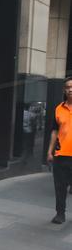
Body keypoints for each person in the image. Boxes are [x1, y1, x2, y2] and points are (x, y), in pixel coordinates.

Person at [46, 77, 72, 224]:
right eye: (68, 87)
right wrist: (50, 151)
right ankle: (60, 213)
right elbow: (54, 132)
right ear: (64, 90)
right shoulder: (58, 109)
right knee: (60, 186)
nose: (70, 89)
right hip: (61, 155)